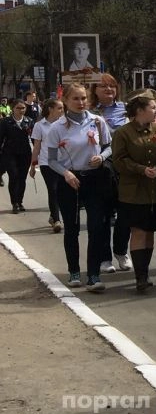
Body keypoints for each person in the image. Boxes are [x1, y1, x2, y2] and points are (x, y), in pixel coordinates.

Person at [46, 83, 113, 291]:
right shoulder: (57, 127)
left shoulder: (97, 121)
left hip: (94, 178)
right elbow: (52, 160)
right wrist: (66, 173)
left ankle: (93, 274)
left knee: (96, 227)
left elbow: (109, 146)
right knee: (72, 229)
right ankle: (74, 270)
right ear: (65, 101)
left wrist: (101, 157)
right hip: (70, 181)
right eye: (75, 98)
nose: (81, 102)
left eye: (83, 98)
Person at [110, 94, 156, 294]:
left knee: (150, 231)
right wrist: (140, 169)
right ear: (139, 111)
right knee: (138, 231)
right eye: (153, 107)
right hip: (133, 191)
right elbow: (119, 160)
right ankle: (140, 276)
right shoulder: (123, 133)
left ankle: (145, 271)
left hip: (155, 190)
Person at [92, 75, 131, 273]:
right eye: (103, 86)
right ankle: (104, 258)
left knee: (125, 213)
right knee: (103, 215)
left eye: (112, 86)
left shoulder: (127, 108)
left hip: (125, 167)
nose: (108, 89)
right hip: (101, 168)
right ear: (94, 89)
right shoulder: (90, 111)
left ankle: (121, 251)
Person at [29, 98, 64, 232]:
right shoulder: (39, 125)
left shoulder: (64, 124)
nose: (62, 111)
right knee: (53, 190)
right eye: (59, 108)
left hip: (63, 163)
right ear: (50, 109)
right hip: (46, 163)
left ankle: (52, 214)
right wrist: (33, 165)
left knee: (61, 192)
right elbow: (36, 147)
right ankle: (56, 220)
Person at [0, 100, 34, 213]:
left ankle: (20, 201)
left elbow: (34, 140)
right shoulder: (5, 122)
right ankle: (14, 203)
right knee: (13, 176)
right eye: (18, 108)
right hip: (9, 154)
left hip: (25, 153)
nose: (21, 110)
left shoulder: (29, 121)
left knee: (22, 178)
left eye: (23, 108)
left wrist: (37, 154)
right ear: (13, 108)